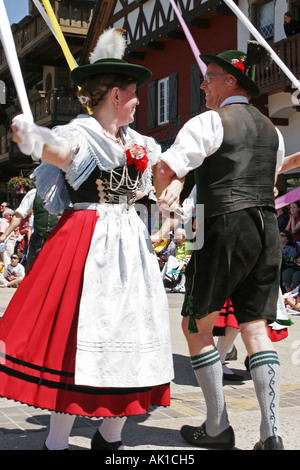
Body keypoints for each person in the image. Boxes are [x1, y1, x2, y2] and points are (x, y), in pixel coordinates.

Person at [0, 29, 182, 451]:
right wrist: (34, 139)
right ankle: (57, 443)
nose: (139, 101)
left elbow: (165, 173)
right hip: (87, 242)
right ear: (115, 96)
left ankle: (110, 435)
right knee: (75, 340)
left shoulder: (140, 143)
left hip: (130, 247)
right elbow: (59, 151)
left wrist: (172, 194)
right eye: (135, 94)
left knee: (132, 336)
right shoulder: (82, 134)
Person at [156, 47, 285, 450]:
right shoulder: (272, 129)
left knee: (196, 325)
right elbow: (273, 179)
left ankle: (217, 428)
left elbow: (165, 168)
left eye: (209, 76)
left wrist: (165, 194)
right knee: (256, 328)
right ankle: (271, 434)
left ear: (231, 81)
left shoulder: (210, 121)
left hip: (222, 224)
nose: (202, 83)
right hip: (266, 228)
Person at [0, 188, 59, 272]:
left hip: (59, 241)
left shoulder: (65, 192)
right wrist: (5, 234)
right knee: (32, 273)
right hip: (38, 241)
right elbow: (18, 215)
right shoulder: (34, 193)